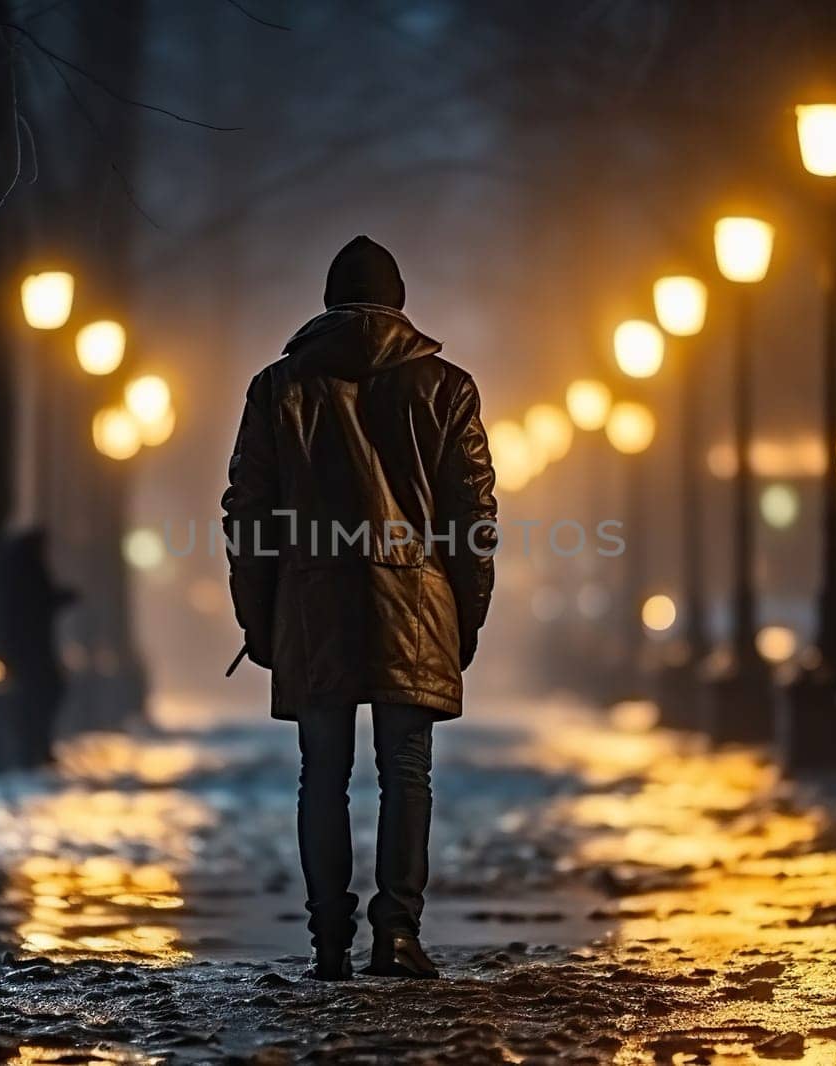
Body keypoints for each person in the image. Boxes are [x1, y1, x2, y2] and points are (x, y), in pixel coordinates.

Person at [221, 235, 498, 981]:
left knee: (322, 773)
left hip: (313, 604)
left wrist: (258, 616)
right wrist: (465, 615)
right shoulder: (446, 388)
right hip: (417, 602)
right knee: (407, 773)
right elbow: (472, 515)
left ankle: (329, 943)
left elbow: (248, 513)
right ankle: (398, 935)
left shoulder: (278, 389)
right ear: (401, 305)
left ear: (326, 303)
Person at [0, 529, 77, 767]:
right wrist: (59, 598)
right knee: (41, 694)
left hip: (30, 647)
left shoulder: (21, 570)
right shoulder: (29, 570)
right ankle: (33, 746)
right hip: (30, 649)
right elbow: (36, 604)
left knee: (42, 694)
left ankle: (36, 745)